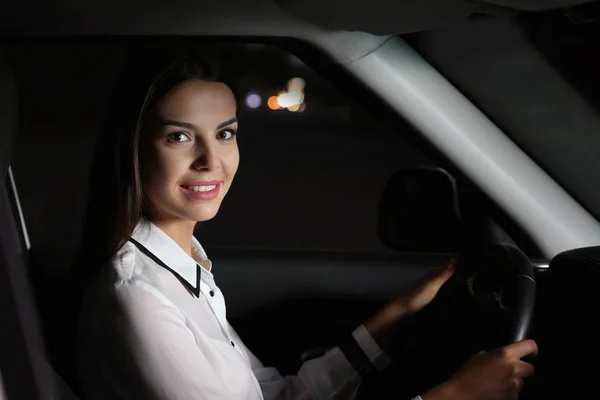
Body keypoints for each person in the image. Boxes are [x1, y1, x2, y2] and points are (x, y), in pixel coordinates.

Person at [76, 46, 538, 400]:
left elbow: (280, 395)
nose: (210, 161)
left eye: (225, 134)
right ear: (133, 150)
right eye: (179, 136)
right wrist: (454, 395)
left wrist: (396, 316)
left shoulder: (183, 270)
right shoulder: (136, 296)